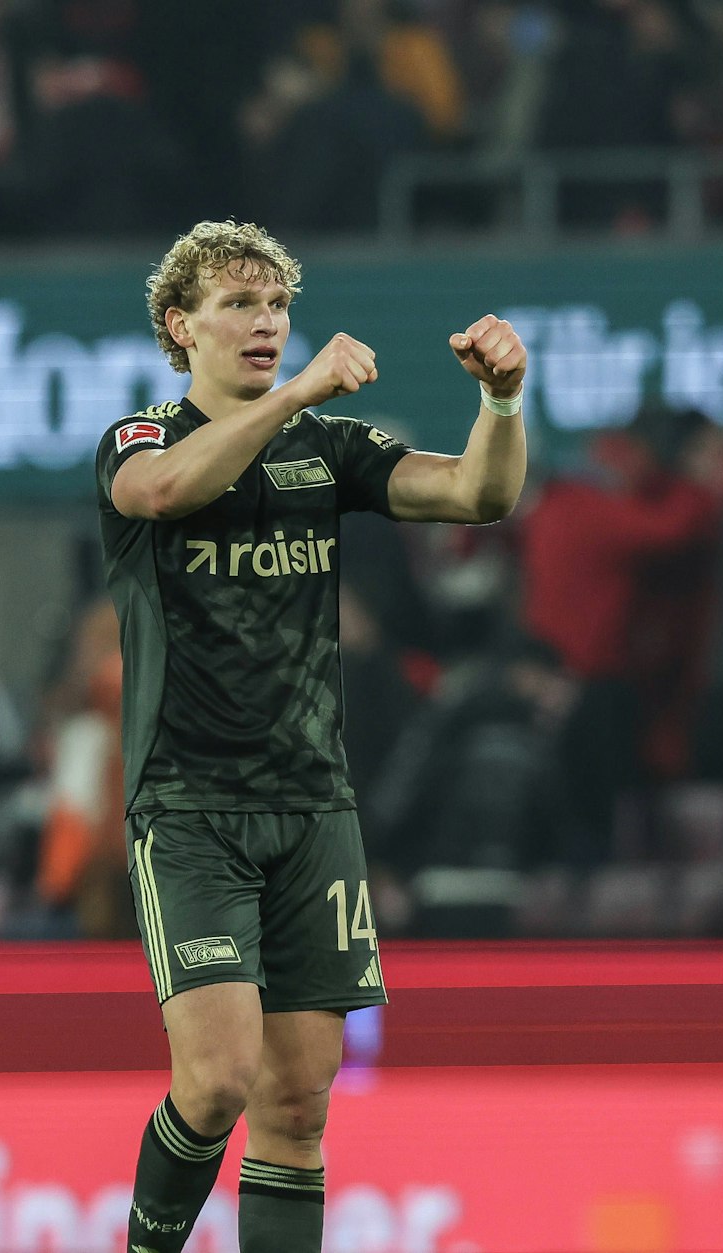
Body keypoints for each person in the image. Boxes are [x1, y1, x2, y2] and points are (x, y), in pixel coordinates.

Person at [97, 219, 526, 1253]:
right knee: (215, 1080)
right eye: (238, 305)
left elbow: (480, 492)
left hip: (312, 806)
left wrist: (501, 402)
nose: (264, 324)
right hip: (190, 804)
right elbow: (163, 494)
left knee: (297, 1106)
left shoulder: (327, 450)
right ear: (179, 325)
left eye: (276, 306)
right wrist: (294, 393)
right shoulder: (137, 440)